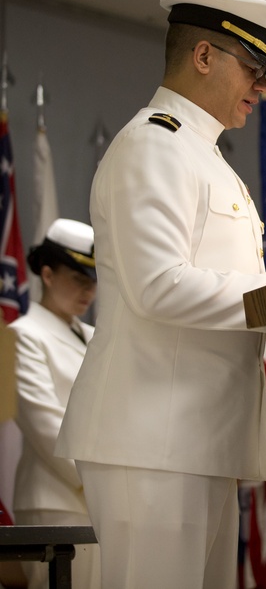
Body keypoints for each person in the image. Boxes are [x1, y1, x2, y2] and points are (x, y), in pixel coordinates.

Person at [54, 0, 266, 589]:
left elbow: (228, 299)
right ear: (204, 55)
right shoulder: (152, 146)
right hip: (152, 436)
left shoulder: (205, 158)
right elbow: (158, 287)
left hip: (198, 436)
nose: (263, 87)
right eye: (254, 69)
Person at [12, 219, 100, 589]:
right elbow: (46, 427)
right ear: (47, 274)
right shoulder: (18, 337)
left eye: (94, 282)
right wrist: (103, 483)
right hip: (55, 501)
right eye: (80, 279)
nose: (89, 291)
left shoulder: (95, 336)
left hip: (99, 500)